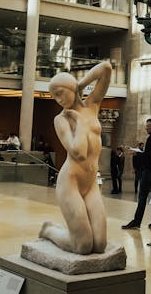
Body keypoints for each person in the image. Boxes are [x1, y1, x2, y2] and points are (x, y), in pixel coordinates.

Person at [38, 61, 112, 254]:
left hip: (90, 183)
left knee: (100, 244)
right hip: (70, 182)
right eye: (54, 96)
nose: (58, 100)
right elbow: (78, 152)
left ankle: (61, 231)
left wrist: (80, 83)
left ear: (71, 88)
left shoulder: (92, 105)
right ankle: (50, 230)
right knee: (83, 246)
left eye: (60, 93)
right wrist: (79, 122)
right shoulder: (61, 120)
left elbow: (105, 68)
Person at [122, 118, 151, 230]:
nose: (146, 128)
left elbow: (148, 157)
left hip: (149, 173)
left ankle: (137, 221)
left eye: (148, 125)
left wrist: (136, 153)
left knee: (142, 197)